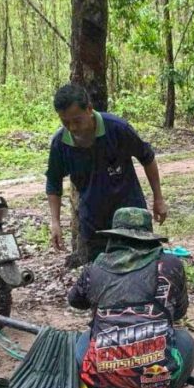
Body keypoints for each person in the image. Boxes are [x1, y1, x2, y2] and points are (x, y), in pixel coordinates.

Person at [68, 207, 194, 388]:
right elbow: (179, 312)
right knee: (185, 341)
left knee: (84, 342)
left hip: (107, 374)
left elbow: (75, 301)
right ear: (149, 238)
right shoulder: (170, 264)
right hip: (155, 374)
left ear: (114, 237)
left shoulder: (94, 269)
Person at [46, 83, 168, 265]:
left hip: (131, 214)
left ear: (89, 109)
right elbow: (53, 183)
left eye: (77, 120)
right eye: (65, 122)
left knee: (141, 266)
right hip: (93, 222)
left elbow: (147, 158)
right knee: (102, 273)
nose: (71, 127)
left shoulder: (117, 129)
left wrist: (158, 198)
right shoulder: (60, 143)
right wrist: (55, 221)